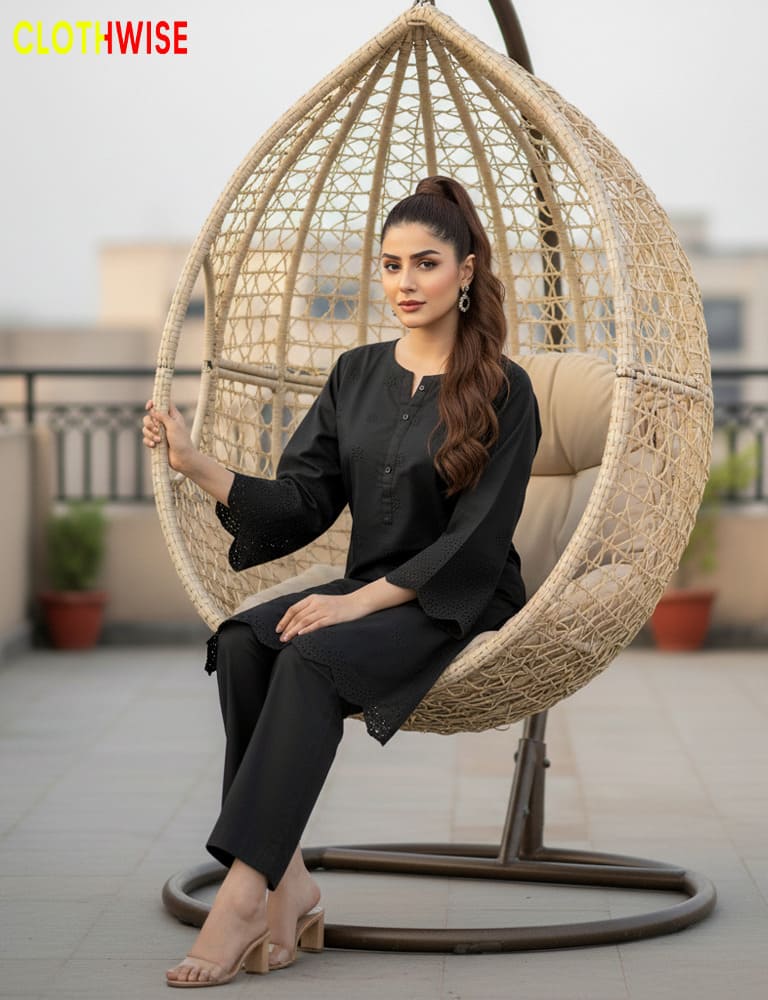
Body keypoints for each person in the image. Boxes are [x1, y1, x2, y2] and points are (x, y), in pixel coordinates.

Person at [143, 175, 541, 987]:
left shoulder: (507, 389)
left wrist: (355, 601)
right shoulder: (355, 373)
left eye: (425, 264)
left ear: (466, 272)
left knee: (312, 655)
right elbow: (302, 501)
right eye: (391, 265)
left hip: (455, 599)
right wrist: (196, 464)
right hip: (367, 590)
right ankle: (291, 883)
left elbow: (476, 540)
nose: (405, 282)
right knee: (247, 641)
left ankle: (245, 892)